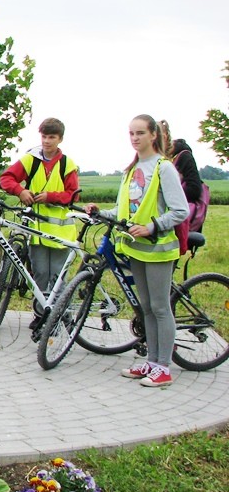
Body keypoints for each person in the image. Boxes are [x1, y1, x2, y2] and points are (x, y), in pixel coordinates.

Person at [87, 115, 188, 388]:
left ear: (153, 135)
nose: (135, 138)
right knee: (146, 308)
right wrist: (100, 213)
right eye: (131, 133)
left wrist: (152, 227)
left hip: (158, 249)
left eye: (140, 133)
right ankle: (152, 361)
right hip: (136, 249)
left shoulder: (163, 168)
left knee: (159, 307)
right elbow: (125, 212)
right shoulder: (131, 170)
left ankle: (163, 367)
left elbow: (180, 210)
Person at [0, 118, 79, 326]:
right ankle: (41, 314)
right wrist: (21, 190)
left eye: (51, 137)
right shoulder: (31, 159)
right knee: (40, 275)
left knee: (58, 278)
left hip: (61, 233)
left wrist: (51, 197)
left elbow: (73, 195)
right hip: (36, 231)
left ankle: (63, 316)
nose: (47, 141)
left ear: (60, 139)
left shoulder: (67, 164)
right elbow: (6, 178)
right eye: (44, 136)